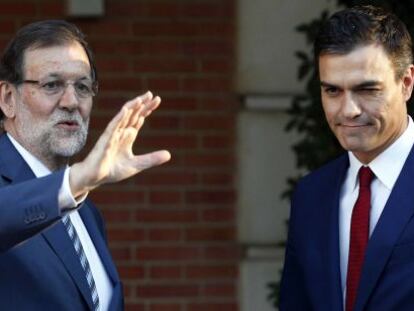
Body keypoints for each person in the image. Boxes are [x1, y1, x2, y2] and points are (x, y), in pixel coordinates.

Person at [0, 20, 170, 310]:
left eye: (82, 86)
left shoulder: (86, 211)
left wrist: (77, 185)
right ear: (7, 99)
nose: (71, 101)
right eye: (51, 85)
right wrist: (76, 181)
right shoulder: (72, 190)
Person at [279, 5, 414, 311]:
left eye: (367, 89)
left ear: (406, 83)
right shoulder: (311, 195)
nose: (348, 109)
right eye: (333, 91)